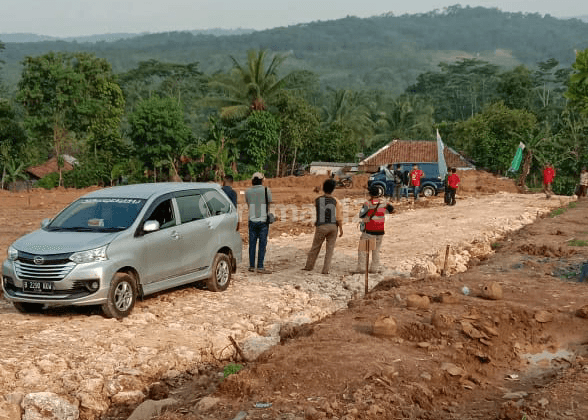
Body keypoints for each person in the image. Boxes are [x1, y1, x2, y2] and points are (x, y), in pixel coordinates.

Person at [303, 179, 343, 274]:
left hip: (321, 226)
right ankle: (325, 270)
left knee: (315, 247)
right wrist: (341, 229)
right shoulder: (336, 201)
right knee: (330, 249)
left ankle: (309, 266)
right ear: (333, 189)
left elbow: (319, 212)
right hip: (333, 227)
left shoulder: (318, 200)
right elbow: (339, 217)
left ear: (323, 188)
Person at [354, 185, 394, 274]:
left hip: (369, 231)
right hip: (380, 231)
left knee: (363, 250)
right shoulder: (384, 203)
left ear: (370, 194)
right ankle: (374, 269)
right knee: (376, 250)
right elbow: (392, 210)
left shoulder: (367, 204)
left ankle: (362, 269)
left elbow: (361, 215)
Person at [245, 172, 272, 274]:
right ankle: (260, 266)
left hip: (252, 220)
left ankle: (252, 266)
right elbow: (269, 203)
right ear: (262, 180)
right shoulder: (266, 190)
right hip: (263, 221)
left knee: (252, 244)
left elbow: (248, 204)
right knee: (262, 244)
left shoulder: (248, 191)